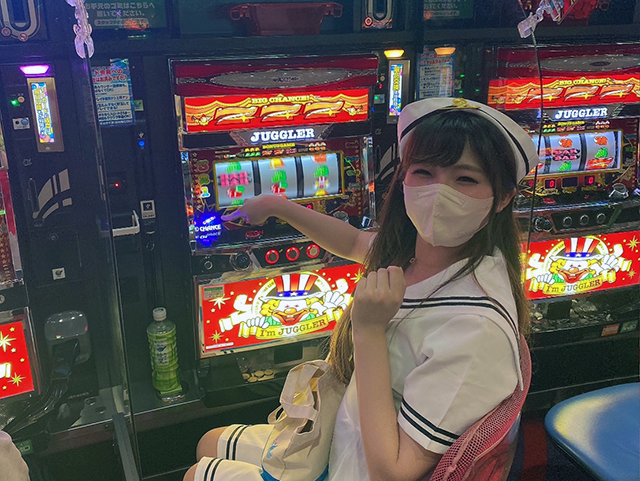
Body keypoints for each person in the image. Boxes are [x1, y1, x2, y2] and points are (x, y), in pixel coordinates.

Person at [183, 97, 538, 481]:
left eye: (465, 179)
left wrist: (367, 330)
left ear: (503, 197)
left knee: (196, 473)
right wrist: (277, 206)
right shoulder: (420, 256)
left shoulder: (475, 328)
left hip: (357, 466)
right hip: (340, 431)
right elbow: (354, 241)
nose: (439, 193)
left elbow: (392, 472)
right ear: (403, 179)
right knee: (207, 442)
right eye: (424, 172)